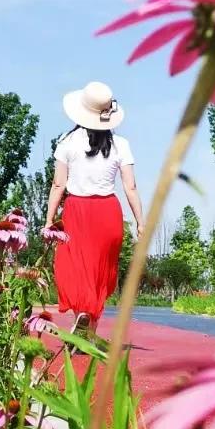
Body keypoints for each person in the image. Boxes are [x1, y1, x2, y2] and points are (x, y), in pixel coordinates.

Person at [44, 80, 144, 336]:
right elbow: (130, 187)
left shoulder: (67, 142)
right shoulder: (121, 144)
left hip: (76, 212)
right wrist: (140, 222)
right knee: (99, 272)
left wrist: (49, 221)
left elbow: (58, 185)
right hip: (108, 213)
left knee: (74, 267)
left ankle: (82, 317)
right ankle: (89, 329)